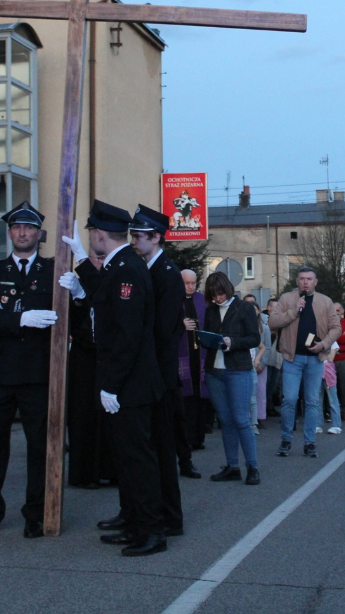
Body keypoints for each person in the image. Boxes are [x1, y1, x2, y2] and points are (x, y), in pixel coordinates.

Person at [0, 202, 56, 541]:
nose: (22, 233)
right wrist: (20, 318)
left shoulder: (53, 269)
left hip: (38, 372)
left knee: (39, 447)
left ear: (38, 234)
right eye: (17, 228)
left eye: (29, 228)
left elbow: (67, 315)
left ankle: (36, 513)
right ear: (9, 233)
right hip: (0, 373)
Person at [83, 200, 166, 556]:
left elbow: (127, 335)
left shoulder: (127, 269)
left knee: (137, 461)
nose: (92, 240)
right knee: (127, 461)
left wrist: (111, 384)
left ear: (101, 235)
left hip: (129, 385)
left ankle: (151, 531)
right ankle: (135, 524)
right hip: (125, 383)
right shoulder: (119, 266)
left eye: (92, 234)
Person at [128, 204, 189, 534]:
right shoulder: (149, 269)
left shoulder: (165, 274)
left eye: (139, 236)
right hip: (152, 373)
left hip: (161, 376)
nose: (135, 241)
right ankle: (150, 512)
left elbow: (163, 330)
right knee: (153, 448)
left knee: (163, 449)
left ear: (156, 237)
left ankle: (170, 517)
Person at [268, 266, 342, 459]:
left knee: (312, 401)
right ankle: (286, 439)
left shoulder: (325, 302)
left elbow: (336, 328)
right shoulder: (286, 299)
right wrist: (294, 311)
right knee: (289, 399)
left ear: (315, 282)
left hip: (315, 359)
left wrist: (324, 345)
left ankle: (309, 442)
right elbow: (273, 322)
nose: (305, 282)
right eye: (302, 279)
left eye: (309, 279)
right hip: (292, 358)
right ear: (297, 281)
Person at [202, 271, 262, 484]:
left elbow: (254, 338)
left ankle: (252, 467)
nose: (218, 298)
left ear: (227, 289)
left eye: (220, 293)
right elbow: (208, 338)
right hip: (214, 371)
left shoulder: (244, 308)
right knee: (226, 420)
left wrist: (232, 342)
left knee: (241, 420)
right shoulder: (210, 311)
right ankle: (232, 466)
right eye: (213, 295)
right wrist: (204, 339)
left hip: (238, 369)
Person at [66, 252, 115, 488]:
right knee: (82, 415)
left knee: (108, 416)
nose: (99, 262)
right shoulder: (79, 286)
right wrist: (77, 298)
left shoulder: (112, 281)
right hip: (83, 357)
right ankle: (84, 473)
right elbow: (70, 321)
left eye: (102, 258)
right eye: (96, 258)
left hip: (106, 356)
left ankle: (108, 469)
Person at [179, 270, 209, 450]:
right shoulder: (174, 298)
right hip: (182, 353)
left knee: (200, 397)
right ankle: (186, 439)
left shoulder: (201, 300)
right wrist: (180, 324)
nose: (190, 286)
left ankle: (199, 437)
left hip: (200, 354)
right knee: (185, 399)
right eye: (186, 283)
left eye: (193, 283)